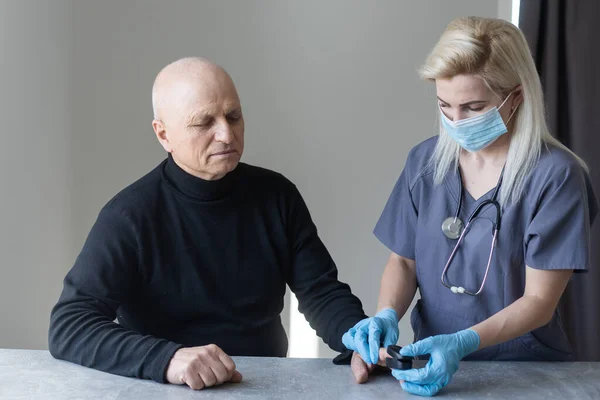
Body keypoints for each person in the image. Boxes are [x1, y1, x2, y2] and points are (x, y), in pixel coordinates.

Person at [49, 57, 366, 390]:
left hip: (264, 385)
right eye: (203, 123)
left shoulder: (278, 196)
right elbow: (70, 324)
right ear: (163, 134)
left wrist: (358, 336)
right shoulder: (129, 217)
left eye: (233, 116)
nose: (226, 134)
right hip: (163, 388)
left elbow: (321, 292)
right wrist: (168, 359)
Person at [343, 16, 598, 396]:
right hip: (429, 364)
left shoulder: (556, 177)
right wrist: (386, 313)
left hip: (526, 374)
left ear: (516, 96)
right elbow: (403, 261)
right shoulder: (425, 163)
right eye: (445, 106)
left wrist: (462, 342)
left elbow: (540, 301)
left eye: (473, 107)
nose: (456, 122)